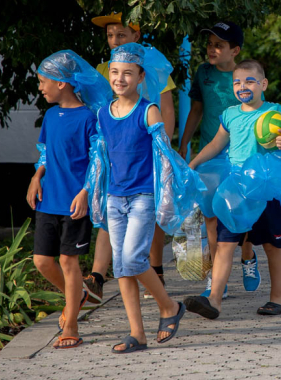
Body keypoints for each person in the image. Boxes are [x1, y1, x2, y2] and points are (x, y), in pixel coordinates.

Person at [184, 60, 281, 319]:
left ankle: (278, 297)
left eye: (249, 81)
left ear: (263, 84)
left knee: (272, 246)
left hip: (267, 188)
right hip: (236, 189)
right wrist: (193, 164)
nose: (243, 86)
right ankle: (214, 300)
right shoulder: (230, 114)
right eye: (237, 82)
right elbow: (216, 145)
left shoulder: (274, 112)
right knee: (225, 243)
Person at [96, 43, 187, 351]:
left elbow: (164, 159)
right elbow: (100, 160)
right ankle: (137, 333)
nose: (119, 79)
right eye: (114, 72)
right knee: (121, 266)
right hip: (114, 198)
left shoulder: (149, 111)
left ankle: (169, 307)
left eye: (127, 73)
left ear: (140, 77)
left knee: (133, 259)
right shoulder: (103, 113)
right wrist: (93, 194)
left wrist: (167, 198)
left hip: (143, 196)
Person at [86, 13, 177, 301]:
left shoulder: (153, 68)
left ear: (136, 36)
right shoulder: (104, 70)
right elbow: (101, 119)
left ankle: (156, 271)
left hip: (144, 157)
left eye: (121, 35)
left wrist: (163, 153)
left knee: (147, 226)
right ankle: (99, 275)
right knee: (118, 246)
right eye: (110, 35)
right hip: (117, 165)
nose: (115, 40)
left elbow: (166, 112)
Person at [27, 51, 111, 350]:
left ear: (61, 83)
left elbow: (97, 159)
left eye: (43, 81)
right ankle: (78, 295)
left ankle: (71, 325)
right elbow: (46, 153)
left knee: (67, 261)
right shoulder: (50, 116)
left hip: (76, 203)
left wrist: (86, 192)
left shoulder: (88, 118)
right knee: (41, 261)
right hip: (48, 200)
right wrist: (36, 176)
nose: (40, 87)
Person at [178, 21, 260, 298]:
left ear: (235, 50)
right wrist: (184, 143)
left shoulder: (245, 77)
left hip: (241, 155)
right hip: (209, 154)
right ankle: (217, 279)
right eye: (210, 44)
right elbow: (196, 109)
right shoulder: (203, 72)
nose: (211, 49)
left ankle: (247, 255)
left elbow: (259, 116)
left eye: (219, 45)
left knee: (241, 212)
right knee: (211, 216)